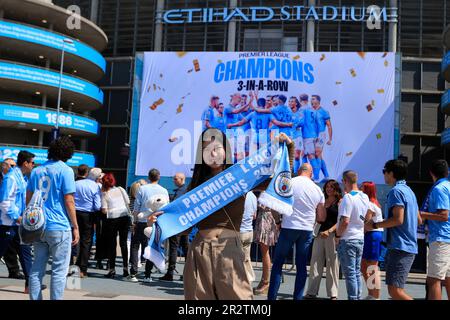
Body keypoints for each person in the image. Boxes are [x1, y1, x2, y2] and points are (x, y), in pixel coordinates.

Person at [147, 129, 294, 299]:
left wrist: (288, 149)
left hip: (230, 249)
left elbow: (281, 180)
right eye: (207, 149)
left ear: (226, 151)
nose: (213, 153)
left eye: (217, 147)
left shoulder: (242, 177)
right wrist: (160, 222)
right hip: (199, 251)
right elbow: (185, 227)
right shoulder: (196, 186)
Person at [27, 136, 80, 300]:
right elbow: (69, 200)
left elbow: (28, 198)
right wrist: (75, 226)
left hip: (39, 224)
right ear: (68, 153)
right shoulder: (66, 170)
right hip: (59, 225)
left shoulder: (36, 170)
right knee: (59, 270)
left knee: (37, 267)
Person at [268, 163, 326, 300]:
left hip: (288, 226)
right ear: (311, 173)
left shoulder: (290, 183)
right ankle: (297, 298)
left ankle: (271, 298)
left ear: (298, 171)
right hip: (306, 229)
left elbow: (275, 205)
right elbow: (321, 217)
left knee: (278, 264)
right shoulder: (317, 190)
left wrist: (278, 222)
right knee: (301, 266)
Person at [366, 160, 420, 300]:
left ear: (391, 173)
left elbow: (398, 219)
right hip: (406, 246)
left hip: (400, 247)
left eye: (384, 171)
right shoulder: (409, 191)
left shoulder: (396, 192)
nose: (384, 175)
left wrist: (375, 225)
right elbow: (418, 219)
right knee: (396, 290)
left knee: (395, 291)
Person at [0, 152, 35, 293]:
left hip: (18, 224)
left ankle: (30, 284)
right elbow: (4, 202)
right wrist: (17, 217)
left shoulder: (23, 178)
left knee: (25, 252)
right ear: (25, 163)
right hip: (7, 224)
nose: (33, 165)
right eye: (32, 162)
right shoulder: (11, 178)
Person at [305, 179, 342, 300]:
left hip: (332, 236)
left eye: (331, 187)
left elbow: (341, 221)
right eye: (327, 187)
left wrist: (330, 231)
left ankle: (333, 294)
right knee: (315, 263)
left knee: (332, 264)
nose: (329, 189)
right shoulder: (322, 201)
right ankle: (311, 292)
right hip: (319, 234)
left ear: (336, 188)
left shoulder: (340, 202)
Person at [335, 170, 370, 300]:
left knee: (350, 273)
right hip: (359, 237)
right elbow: (367, 215)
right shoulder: (364, 196)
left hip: (347, 238)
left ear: (345, 181)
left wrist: (337, 236)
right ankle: (357, 297)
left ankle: (353, 298)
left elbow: (345, 221)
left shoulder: (348, 198)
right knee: (356, 272)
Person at [418, 159, 450, 300]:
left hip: (440, 238)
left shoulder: (438, 189)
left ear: (431, 173)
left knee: (434, 280)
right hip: (446, 238)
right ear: (447, 172)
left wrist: (422, 214)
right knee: (447, 279)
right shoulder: (448, 186)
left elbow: (443, 215)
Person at [131, 168, 169, 282]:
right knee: (152, 247)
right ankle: (148, 274)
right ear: (159, 177)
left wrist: (134, 221)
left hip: (142, 221)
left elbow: (136, 208)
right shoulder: (164, 190)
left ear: (148, 177)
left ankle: (133, 273)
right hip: (156, 222)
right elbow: (166, 207)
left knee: (135, 245)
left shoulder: (141, 189)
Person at [73, 165, 102, 277]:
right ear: (86, 173)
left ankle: (70, 265)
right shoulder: (94, 186)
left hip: (74, 212)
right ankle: (82, 269)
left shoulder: (74, 184)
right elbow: (97, 205)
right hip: (88, 215)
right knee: (86, 241)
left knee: (73, 239)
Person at [101, 173, 131, 279]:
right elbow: (127, 201)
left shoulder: (104, 194)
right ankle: (126, 269)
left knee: (112, 244)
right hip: (124, 216)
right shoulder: (120, 189)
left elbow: (104, 210)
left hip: (112, 219)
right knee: (123, 243)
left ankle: (112, 270)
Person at [159, 172, 187, 282]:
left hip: (177, 223)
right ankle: (187, 273)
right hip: (184, 223)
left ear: (181, 179)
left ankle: (170, 272)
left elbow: (175, 204)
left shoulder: (181, 191)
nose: (174, 181)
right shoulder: (185, 189)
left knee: (174, 247)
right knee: (185, 248)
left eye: (175, 179)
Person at [359, 181, 384, 300]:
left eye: (361, 188)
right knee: (364, 266)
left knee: (372, 267)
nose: (359, 189)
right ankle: (371, 294)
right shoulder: (375, 203)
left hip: (372, 235)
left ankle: (376, 296)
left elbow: (366, 221)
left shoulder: (369, 204)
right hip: (371, 235)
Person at [253, 198, 281, 295]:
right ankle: (264, 281)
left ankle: (266, 282)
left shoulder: (270, 189)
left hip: (267, 219)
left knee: (265, 252)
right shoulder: (265, 189)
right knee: (264, 252)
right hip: (264, 218)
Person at [311, 95, 332, 182]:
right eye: (311, 99)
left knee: (317, 154)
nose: (311, 101)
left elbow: (329, 126)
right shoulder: (310, 111)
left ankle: (316, 177)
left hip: (321, 134)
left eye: (313, 99)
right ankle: (326, 175)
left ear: (318, 101)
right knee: (319, 155)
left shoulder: (324, 112)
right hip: (312, 135)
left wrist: (330, 139)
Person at [240, 190, 257, 284]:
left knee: (235, 260)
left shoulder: (239, 195)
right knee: (246, 258)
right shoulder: (253, 196)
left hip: (239, 231)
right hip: (249, 231)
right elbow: (254, 216)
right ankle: (248, 280)